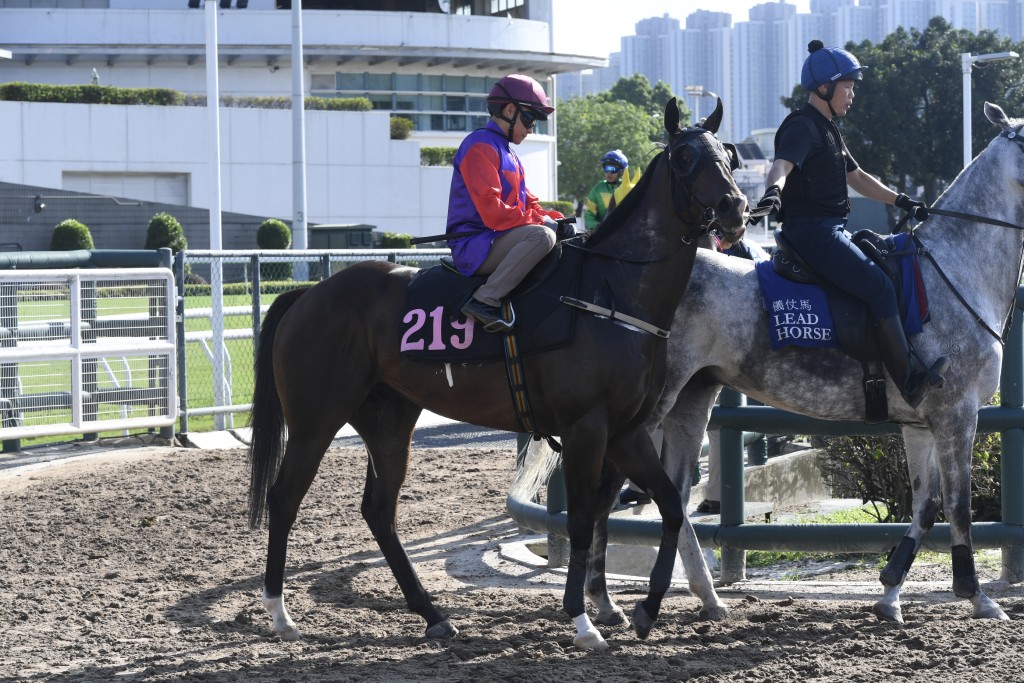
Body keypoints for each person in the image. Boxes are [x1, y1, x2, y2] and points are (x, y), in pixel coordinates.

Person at [752, 39, 948, 409]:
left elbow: (858, 178)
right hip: (813, 234)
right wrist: (773, 192)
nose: (852, 95)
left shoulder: (829, 129)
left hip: (831, 230)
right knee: (879, 289)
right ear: (824, 88)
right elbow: (781, 166)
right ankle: (908, 381)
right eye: (848, 87)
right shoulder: (802, 127)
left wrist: (901, 200)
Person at [445, 74, 564, 333]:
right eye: (530, 119)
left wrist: (557, 218)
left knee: (561, 235)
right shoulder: (479, 146)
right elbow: (494, 214)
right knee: (542, 237)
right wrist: (541, 222)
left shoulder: (508, 152)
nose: (532, 128)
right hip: (475, 244)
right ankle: (484, 300)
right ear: (510, 110)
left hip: (498, 238)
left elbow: (528, 204)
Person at [696, 231, 769, 515]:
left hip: (723, 348)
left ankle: (717, 493)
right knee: (715, 424)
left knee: (719, 424)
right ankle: (714, 493)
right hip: (729, 349)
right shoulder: (745, 246)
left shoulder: (738, 249)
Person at [583, 150, 629, 231]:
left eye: (612, 169)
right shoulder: (597, 189)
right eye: (606, 168)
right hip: (603, 234)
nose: (609, 173)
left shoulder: (629, 188)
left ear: (622, 172)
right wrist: (596, 226)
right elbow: (589, 214)